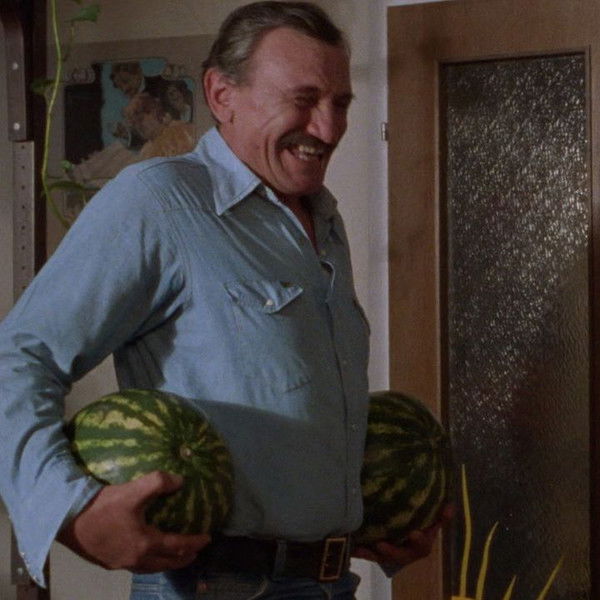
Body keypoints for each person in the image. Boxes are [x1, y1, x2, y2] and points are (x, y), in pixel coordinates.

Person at [0, 2, 449, 599]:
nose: (328, 128)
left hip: (329, 584)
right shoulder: (159, 203)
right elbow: (20, 358)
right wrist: (71, 512)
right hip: (214, 586)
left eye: (340, 103)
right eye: (303, 100)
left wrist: (364, 518)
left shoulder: (323, 219)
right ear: (221, 94)